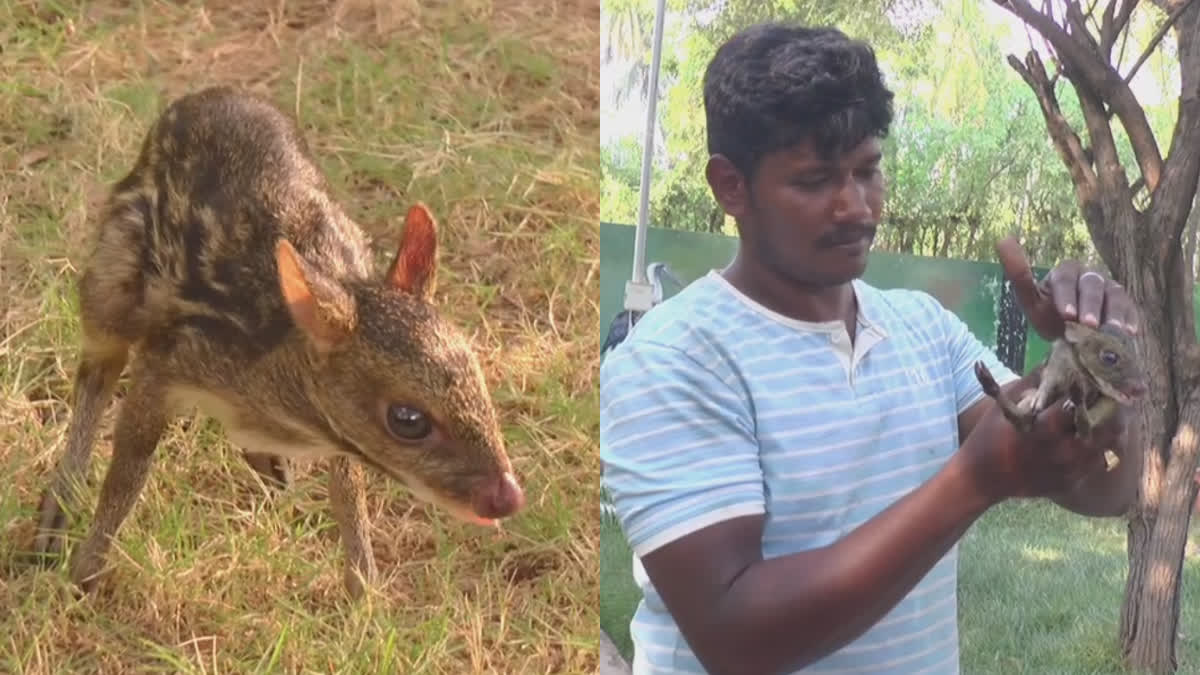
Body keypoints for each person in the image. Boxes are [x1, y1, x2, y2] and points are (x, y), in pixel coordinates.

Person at [598, 21, 1142, 675]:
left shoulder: (925, 329)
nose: (856, 207)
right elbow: (735, 638)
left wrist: (1094, 365)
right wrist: (969, 482)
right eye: (814, 180)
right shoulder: (671, 359)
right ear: (730, 186)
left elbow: (1106, 491)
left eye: (867, 170)